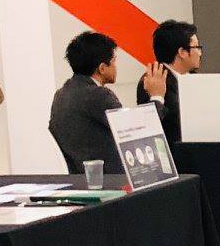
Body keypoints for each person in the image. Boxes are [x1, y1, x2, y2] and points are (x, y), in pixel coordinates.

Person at [49, 29, 160, 174]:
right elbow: (135, 131)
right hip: (110, 179)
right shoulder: (99, 95)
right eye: (113, 61)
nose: (116, 66)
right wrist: (156, 96)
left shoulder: (60, 94)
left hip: (79, 178)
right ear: (102, 68)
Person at [136, 19, 201, 146]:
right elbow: (150, 126)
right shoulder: (154, 80)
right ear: (182, 52)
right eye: (197, 47)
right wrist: (157, 96)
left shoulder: (193, 77)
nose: (200, 53)